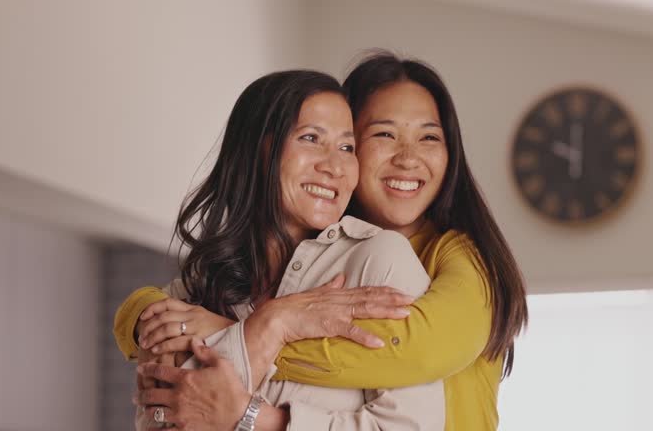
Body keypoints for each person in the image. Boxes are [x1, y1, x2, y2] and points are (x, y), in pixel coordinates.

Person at [128, 51, 529, 431]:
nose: (408, 158)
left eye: (429, 138)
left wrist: (258, 330)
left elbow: (419, 351)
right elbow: (169, 403)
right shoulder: (224, 276)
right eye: (384, 134)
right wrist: (144, 316)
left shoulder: (437, 258)